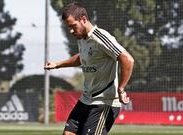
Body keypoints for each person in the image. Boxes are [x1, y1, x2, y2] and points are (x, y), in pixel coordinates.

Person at [44, 2, 134, 135]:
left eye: (73, 26)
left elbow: (127, 59)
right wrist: (58, 65)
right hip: (86, 99)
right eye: (68, 27)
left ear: (83, 19)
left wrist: (121, 89)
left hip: (104, 102)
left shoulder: (101, 38)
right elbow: (83, 58)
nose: (71, 31)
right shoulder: (82, 39)